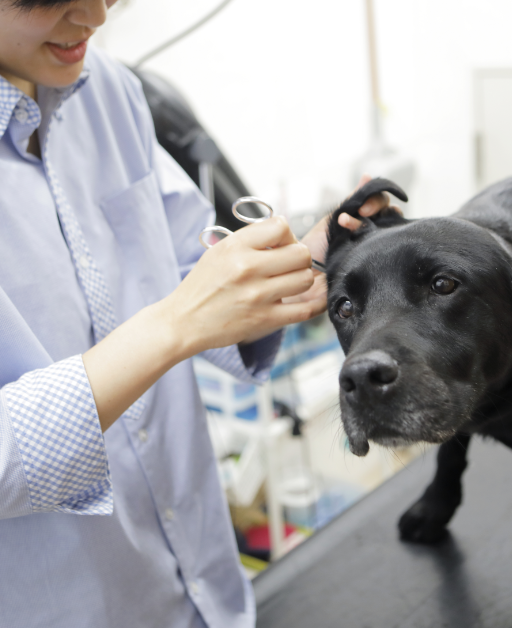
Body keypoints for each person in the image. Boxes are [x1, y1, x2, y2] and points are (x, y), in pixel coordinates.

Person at [0, 1, 389, 625]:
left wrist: (296, 265)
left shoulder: (109, 92)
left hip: (205, 594)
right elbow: (181, 310)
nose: (95, 17)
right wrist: (175, 324)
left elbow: (183, 270)